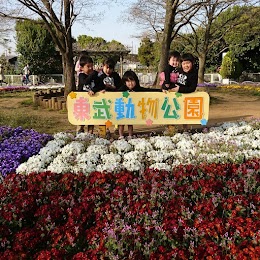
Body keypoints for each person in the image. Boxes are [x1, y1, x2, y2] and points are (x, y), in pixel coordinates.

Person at [117, 70, 159, 140]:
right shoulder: (122, 89)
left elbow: (149, 91)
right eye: (128, 81)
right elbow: (113, 93)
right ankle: (121, 136)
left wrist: (161, 91)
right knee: (121, 123)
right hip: (123, 109)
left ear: (136, 81)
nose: (130, 83)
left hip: (131, 110)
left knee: (130, 123)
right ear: (125, 82)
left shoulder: (138, 89)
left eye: (132, 81)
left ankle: (130, 135)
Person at [165, 53, 198, 132]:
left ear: (192, 63)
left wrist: (179, 89)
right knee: (171, 112)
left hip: (184, 97)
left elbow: (192, 88)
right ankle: (171, 131)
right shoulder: (177, 71)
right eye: (184, 63)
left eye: (188, 63)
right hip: (173, 97)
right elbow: (167, 77)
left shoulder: (194, 74)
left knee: (184, 114)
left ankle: (185, 130)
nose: (186, 66)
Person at [77, 55, 104, 134]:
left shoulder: (95, 77)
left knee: (91, 119)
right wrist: (93, 73)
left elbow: (100, 86)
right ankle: (79, 133)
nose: (91, 68)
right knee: (81, 119)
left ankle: (90, 134)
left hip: (92, 103)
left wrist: (94, 90)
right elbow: (85, 82)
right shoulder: (81, 75)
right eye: (88, 66)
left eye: (92, 66)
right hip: (82, 103)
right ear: (81, 68)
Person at [98, 58, 122, 138]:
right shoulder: (99, 76)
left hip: (114, 99)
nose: (108, 70)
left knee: (115, 113)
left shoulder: (116, 76)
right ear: (103, 66)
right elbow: (96, 87)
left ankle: (116, 128)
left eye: (110, 68)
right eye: (106, 67)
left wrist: (114, 87)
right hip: (103, 100)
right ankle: (105, 131)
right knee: (103, 115)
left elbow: (121, 87)